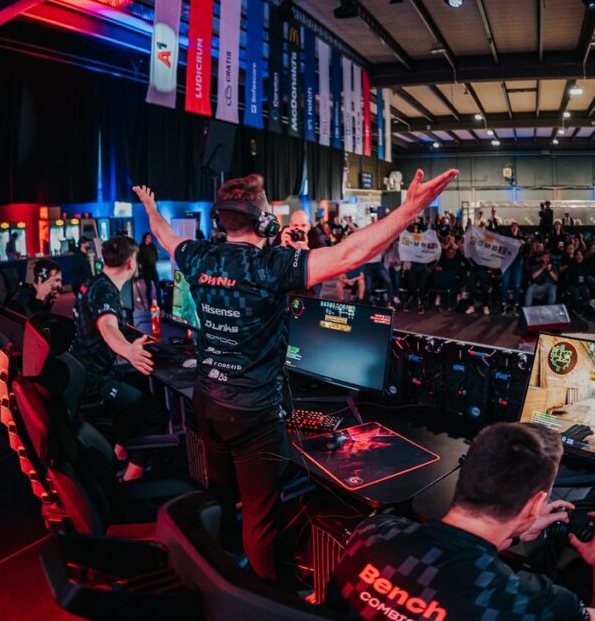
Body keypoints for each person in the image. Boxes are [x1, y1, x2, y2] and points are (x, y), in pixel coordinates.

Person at [133, 168, 457, 582]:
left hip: (208, 402)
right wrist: (410, 208)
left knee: (220, 496)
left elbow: (163, 234)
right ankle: (261, 599)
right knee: (261, 518)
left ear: (220, 220)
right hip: (254, 414)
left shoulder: (198, 255)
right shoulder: (270, 266)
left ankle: (220, 572)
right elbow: (350, 254)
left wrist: (150, 207)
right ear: (265, 222)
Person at [329, 423, 595, 621]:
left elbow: (449, 566)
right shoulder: (523, 602)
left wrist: (516, 534)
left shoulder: (373, 534)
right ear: (535, 505)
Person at [70, 235, 168, 482]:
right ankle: (130, 481)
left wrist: (131, 342)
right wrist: (128, 350)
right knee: (155, 412)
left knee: (139, 382)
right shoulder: (105, 291)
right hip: (94, 381)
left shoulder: (95, 282)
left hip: (85, 372)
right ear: (131, 263)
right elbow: (107, 327)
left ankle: (118, 454)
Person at [136, 232, 161, 306]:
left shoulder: (153, 246)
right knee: (149, 287)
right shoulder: (141, 247)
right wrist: (145, 261)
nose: (149, 239)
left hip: (153, 268)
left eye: (150, 237)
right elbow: (138, 259)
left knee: (157, 285)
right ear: (145, 238)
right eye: (148, 237)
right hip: (146, 269)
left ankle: (160, 302)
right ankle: (150, 304)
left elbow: (156, 256)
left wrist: (154, 259)